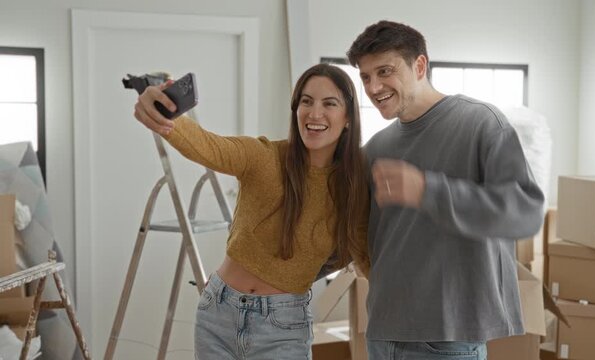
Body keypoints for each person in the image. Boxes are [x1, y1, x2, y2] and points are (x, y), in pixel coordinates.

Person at [133, 63, 370, 359]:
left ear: (348, 117)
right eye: (306, 102)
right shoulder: (264, 157)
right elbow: (210, 147)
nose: (314, 113)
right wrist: (164, 116)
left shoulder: (352, 190)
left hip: (282, 329)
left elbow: (365, 256)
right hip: (217, 313)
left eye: (329, 104)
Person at [346, 21, 545, 359]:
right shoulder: (376, 148)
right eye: (365, 77)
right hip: (381, 332)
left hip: (447, 339)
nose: (374, 86)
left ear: (420, 65)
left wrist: (427, 190)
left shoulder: (482, 124)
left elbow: (525, 213)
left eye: (384, 71)